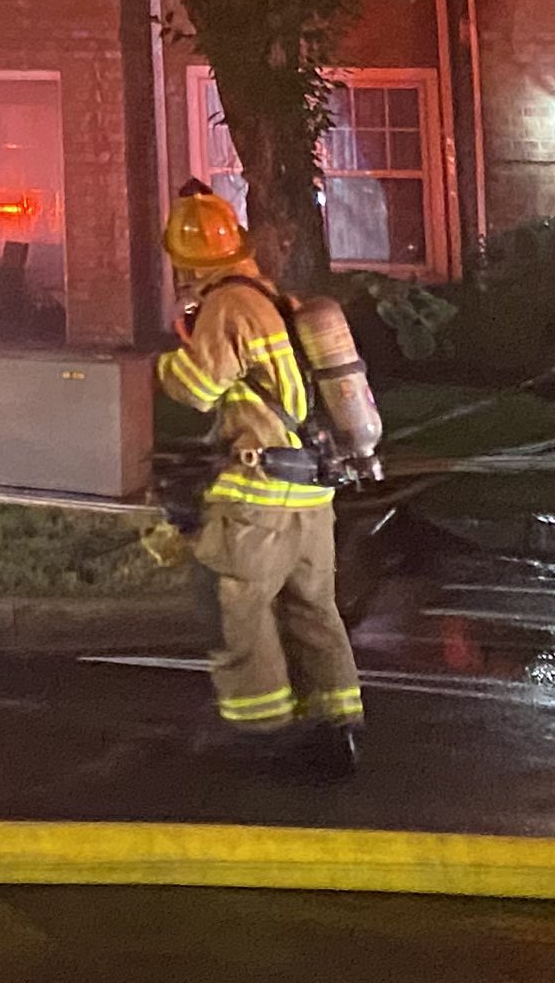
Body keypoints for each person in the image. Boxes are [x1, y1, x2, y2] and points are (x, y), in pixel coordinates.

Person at [152, 189, 361, 780]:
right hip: (313, 490)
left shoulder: (227, 307)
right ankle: (337, 724)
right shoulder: (276, 298)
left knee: (235, 607)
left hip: (259, 497)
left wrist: (163, 362)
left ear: (187, 263)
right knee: (313, 610)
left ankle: (264, 734)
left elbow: (196, 389)